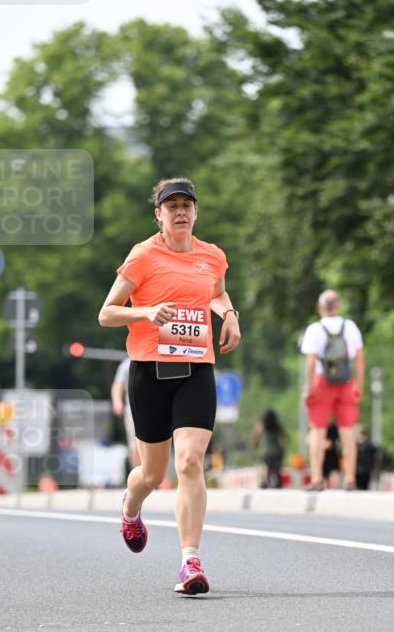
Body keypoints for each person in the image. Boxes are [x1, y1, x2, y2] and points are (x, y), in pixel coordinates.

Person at [98, 177, 241, 594]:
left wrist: (229, 313)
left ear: (195, 212)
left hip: (197, 369)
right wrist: (145, 312)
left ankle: (189, 561)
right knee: (152, 474)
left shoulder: (212, 256)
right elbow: (107, 313)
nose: (180, 212)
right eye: (171, 206)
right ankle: (130, 505)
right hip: (150, 374)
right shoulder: (144, 256)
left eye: (186, 205)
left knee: (190, 463)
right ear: (158, 215)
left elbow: (216, 294)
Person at [301, 290, 364, 490]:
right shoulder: (350, 327)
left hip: (322, 383)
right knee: (347, 432)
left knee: (318, 432)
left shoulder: (315, 329)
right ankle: (350, 478)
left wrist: (309, 388)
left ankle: (317, 478)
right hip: (345, 384)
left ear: (320, 307)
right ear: (337, 306)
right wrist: (358, 385)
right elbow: (359, 359)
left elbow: (311, 362)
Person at [111, 356, 140, 469]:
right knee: (135, 446)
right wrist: (117, 402)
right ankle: (138, 473)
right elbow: (118, 385)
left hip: (155, 410)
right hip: (133, 411)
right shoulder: (126, 364)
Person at [251, 410, 287, 488]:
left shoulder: (262, 426)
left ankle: (264, 481)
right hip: (277, 451)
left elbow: (255, 438)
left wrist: (255, 445)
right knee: (277, 467)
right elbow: (285, 437)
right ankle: (278, 480)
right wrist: (284, 446)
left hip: (267, 452)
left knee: (265, 466)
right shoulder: (277, 426)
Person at [355, 426, 380, 491]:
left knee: (365, 488)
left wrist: (376, 471)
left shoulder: (370, 446)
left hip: (366, 471)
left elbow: (376, 458)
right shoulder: (354, 446)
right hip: (355, 471)